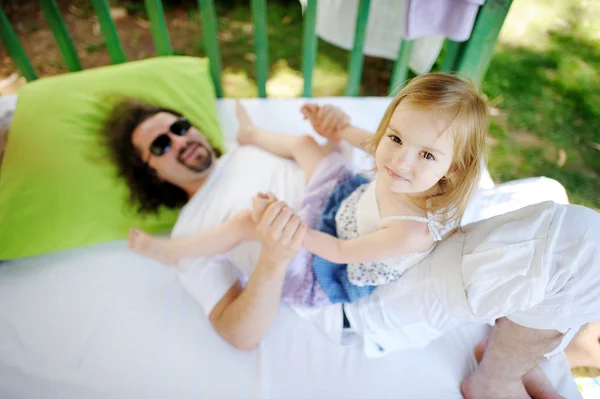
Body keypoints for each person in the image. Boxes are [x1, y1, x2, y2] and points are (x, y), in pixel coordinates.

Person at [103, 76, 596, 399]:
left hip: (354, 206)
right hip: (339, 267)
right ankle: (162, 253)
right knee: (574, 242)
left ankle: (524, 359)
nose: (181, 141)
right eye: (161, 145)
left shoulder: (246, 152)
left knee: (559, 222)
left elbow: (329, 152)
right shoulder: (195, 222)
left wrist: (319, 133)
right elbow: (239, 334)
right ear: (150, 172)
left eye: (180, 126)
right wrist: (279, 252)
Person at [127, 73, 487, 309]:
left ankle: (168, 251)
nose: (399, 161)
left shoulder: (411, 230)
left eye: (426, 154)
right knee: (304, 143)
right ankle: (250, 135)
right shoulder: (404, 165)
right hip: (345, 206)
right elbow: (374, 143)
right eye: (396, 137)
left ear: (453, 169)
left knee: (248, 221)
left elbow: (340, 250)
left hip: (329, 265)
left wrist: (286, 222)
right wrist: (340, 128)